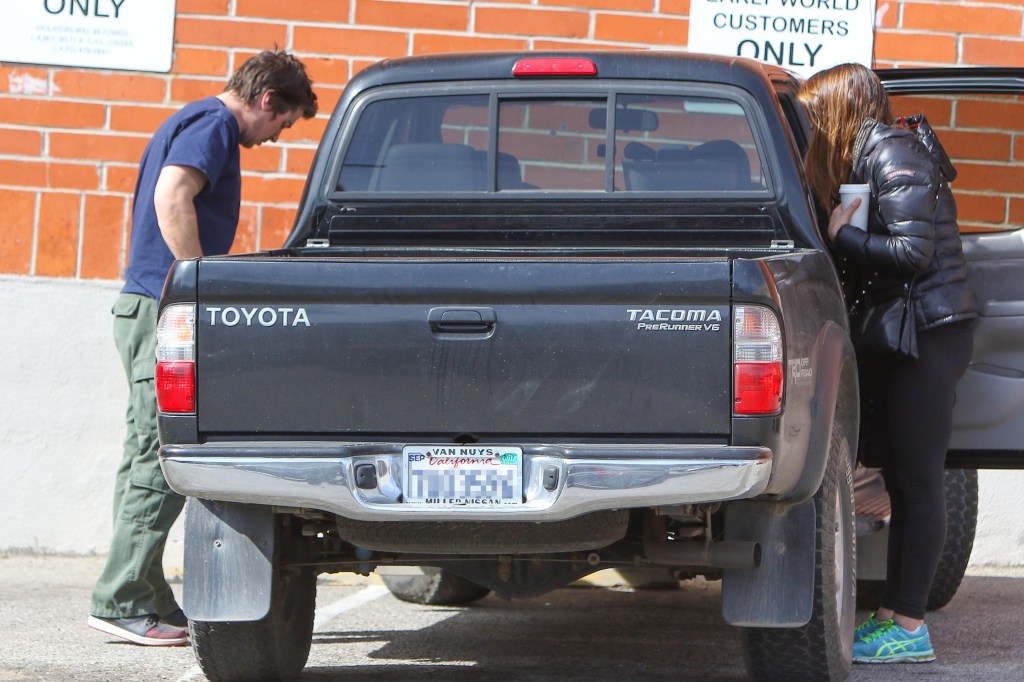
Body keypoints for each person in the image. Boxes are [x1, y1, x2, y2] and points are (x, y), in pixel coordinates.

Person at [88, 50, 317, 646]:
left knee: (145, 454)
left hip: (142, 307)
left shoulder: (190, 118)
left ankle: (146, 594)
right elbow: (172, 196)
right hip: (161, 308)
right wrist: (198, 281)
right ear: (268, 100)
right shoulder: (215, 126)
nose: (274, 138)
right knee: (158, 460)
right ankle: (121, 601)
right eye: (283, 124)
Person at [798, 63, 977, 664]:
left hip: (930, 334)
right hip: (913, 332)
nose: (810, 127)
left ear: (839, 111)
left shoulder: (895, 152)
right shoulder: (871, 157)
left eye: (814, 115)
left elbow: (911, 252)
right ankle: (894, 616)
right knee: (902, 480)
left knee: (921, 483)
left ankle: (909, 626)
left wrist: (840, 234)